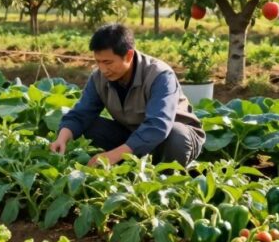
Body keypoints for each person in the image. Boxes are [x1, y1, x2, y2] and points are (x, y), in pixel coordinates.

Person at [50, 23, 205, 167]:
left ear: (129, 55)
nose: (103, 69)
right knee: (83, 126)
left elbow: (157, 126)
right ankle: (126, 164)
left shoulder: (159, 75)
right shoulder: (99, 77)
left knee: (176, 137)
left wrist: (112, 156)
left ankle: (164, 178)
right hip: (131, 134)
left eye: (108, 62)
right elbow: (81, 113)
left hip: (169, 137)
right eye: (98, 62)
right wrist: (61, 139)